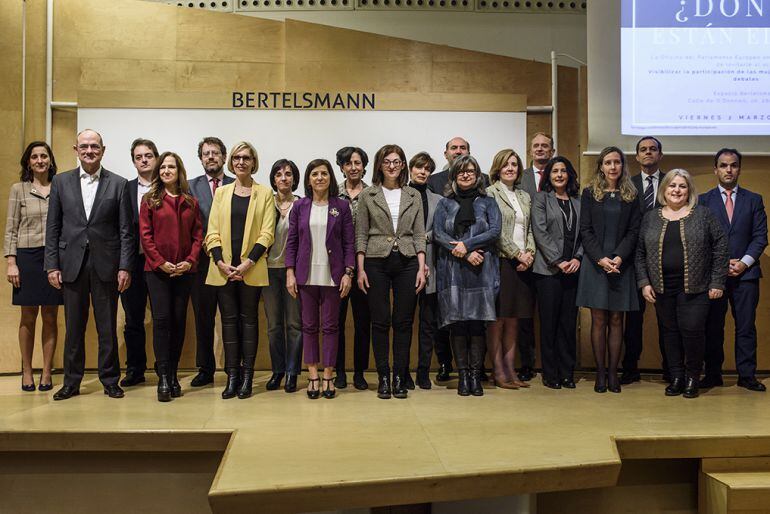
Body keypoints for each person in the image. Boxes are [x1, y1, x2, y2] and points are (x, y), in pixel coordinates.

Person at [45, 129, 134, 400]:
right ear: (76, 150)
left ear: (103, 150)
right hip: (70, 265)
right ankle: (71, 382)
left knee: (107, 327)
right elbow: (53, 227)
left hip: (106, 266)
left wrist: (125, 266)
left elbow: (126, 231)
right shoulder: (61, 182)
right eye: (84, 146)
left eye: (94, 146)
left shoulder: (118, 184)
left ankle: (110, 380)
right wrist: (52, 265)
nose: (89, 151)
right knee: (74, 327)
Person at [637, 169, 728, 398]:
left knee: (692, 330)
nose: (676, 190)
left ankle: (692, 377)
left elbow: (721, 248)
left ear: (689, 191)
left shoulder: (704, 215)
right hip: (662, 287)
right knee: (669, 332)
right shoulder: (651, 217)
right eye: (672, 186)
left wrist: (717, 281)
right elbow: (640, 253)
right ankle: (676, 376)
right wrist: (644, 282)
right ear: (664, 190)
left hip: (696, 288)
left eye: (682, 186)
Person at [356, 144, 427, 399]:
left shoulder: (413, 195)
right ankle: (383, 376)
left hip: (408, 261)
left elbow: (419, 234)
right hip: (376, 261)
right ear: (379, 165)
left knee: (404, 321)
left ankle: (399, 375)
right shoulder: (368, 194)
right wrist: (360, 269)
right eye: (387, 161)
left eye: (397, 161)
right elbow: (361, 233)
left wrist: (421, 266)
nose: (392, 165)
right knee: (380, 320)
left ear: (403, 165)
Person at [205, 141, 274, 400]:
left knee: (249, 322)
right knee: (228, 323)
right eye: (236, 158)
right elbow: (211, 231)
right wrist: (221, 262)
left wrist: (248, 263)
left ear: (253, 162)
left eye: (246, 158)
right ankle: (232, 376)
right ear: (231, 162)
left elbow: (267, 233)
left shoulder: (264, 193)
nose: (241, 162)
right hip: (223, 270)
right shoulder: (221, 193)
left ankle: (247, 377)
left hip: (250, 270)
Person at [285, 159, 355, 399]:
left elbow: (349, 242)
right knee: (309, 326)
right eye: (314, 174)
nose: (320, 178)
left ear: (330, 178)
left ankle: (328, 376)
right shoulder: (299, 206)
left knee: (331, 327)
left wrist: (348, 272)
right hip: (305, 275)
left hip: (333, 276)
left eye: (324, 173)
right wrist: (290, 272)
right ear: (308, 179)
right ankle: (313, 375)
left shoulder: (342, 207)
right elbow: (292, 241)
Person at [700, 148, 768, 392]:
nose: (729, 170)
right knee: (712, 327)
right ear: (715, 169)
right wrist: (720, 264)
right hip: (714, 277)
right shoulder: (703, 201)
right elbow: (700, 240)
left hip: (746, 275)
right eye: (724, 165)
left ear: (739, 168)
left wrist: (744, 262)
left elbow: (760, 237)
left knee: (746, 326)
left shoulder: (754, 199)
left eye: (734, 165)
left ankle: (747, 375)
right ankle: (712, 374)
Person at [433, 154, 501, 396]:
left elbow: (495, 231)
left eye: (470, 171)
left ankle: (475, 376)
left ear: (477, 175)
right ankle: (462, 376)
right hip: (453, 270)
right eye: (461, 171)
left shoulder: (488, 201)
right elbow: (439, 234)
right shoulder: (444, 203)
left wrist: (467, 245)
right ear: (453, 175)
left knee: (477, 324)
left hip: (481, 269)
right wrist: (460, 250)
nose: (465, 174)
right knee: (458, 325)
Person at [576, 146, 641, 394]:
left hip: (621, 266)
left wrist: (618, 258)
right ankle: (600, 373)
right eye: (607, 162)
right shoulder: (590, 193)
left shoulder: (631, 195)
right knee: (599, 320)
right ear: (601, 167)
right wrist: (602, 259)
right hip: (596, 266)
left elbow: (634, 231)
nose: (613, 167)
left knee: (617, 320)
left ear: (623, 166)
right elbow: (586, 230)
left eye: (617, 162)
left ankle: (614, 372)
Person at [139, 152, 203, 402]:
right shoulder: (150, 200)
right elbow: (146, 236)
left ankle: (174, 374)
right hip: (158, 273)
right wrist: (160, 263)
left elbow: (198, 235)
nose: (166, 170)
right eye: (163, 167)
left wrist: (189, 261)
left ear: (179, 171)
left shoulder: (191, 202)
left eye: (171, 167)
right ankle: (163, 377)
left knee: (178, 322)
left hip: (184, 272)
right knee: (162, 322)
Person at [4, 141, 63, 392]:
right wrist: (11, 262)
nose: (40, 160)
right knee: (28, 317)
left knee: (50, 316)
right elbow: (10, 228)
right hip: (26, 258)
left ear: (51, 160)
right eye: (34, 156)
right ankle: (27, 371)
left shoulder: (61, 187)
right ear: (28, 162)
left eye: (44, 156)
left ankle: (47, 372)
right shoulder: (19, 189)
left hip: (53, 258)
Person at [485, 149, 536, 389]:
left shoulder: (524, 196)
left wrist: (530, 253)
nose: (510, 168)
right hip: (501, 261)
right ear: (498, 167)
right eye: (506, 164)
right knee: (498, 319)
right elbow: (495, 232)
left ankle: (510, 368)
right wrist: (517, 254)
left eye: (514, 164)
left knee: (515, 319)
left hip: (523, 262)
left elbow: (529, 230)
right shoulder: (489, 193)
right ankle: (497, 370)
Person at [531, 157, 583, 389]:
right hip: (548, 271)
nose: (560, 175)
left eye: (564, 171)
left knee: (568, 324)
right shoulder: (541, 199)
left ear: (570, 175)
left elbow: (585, 234)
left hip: (573, 270)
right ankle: (550, 373)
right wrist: (558, 260)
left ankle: (567, 372)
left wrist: (577, 258)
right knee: (549, 323)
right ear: (548, 176)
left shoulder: (579, 201)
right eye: (555, 171)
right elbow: (540, 231)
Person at [188, 137, 234, 387]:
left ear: (224, 157)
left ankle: (232, 368)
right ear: (201, 158)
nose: (211, 157)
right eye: (206, 153)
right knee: (203, 318)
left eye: (216, 153)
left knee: (230, 317)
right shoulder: (189, 186)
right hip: (201, 264)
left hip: (228, 263)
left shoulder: (236, 184)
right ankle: (205, 368)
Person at [623, 136, 668, 385]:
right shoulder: (627, 185)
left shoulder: (672, 183)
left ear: (660, 155)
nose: (648, 153)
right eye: (643, 150)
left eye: (653, 149)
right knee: (633, 319)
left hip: (665, 260)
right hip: (633, 261)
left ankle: (670, 369)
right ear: (637, 157)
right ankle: (630, 367)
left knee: (667, 320)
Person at [407, 151, 449, 390]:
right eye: (418, 168)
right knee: (404, 323)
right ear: (411, 169)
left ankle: (423, 371)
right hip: (405, 265)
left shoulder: (438, 200)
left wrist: (424, 237)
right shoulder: (401, 196)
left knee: (428, 324)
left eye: (427, 169)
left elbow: (443, 230)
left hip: (432, 266)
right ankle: (403, 371)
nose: (422, 172)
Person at [517, 132, 556, 382]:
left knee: (550, 316)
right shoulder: (519, 177)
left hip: (552, 258)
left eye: (545, 146)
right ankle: (527, 363)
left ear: (552, 151)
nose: (540, 149)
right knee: (523, 316)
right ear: (530, 151)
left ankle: (553, 366)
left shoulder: (560, 175)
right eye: (536, 146)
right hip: (524, 257)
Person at [119, 138, 158, 388]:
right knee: (133, 319)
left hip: (160, 265)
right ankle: (135, 368)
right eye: (138, 157)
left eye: (148, 155)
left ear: (156, 157)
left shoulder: (168, 186)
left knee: (164, 318)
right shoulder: (124, 188)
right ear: (133, 161)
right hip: (133, 263)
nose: (144, 160)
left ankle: (166, 367)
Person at [263, 159, 302, 393]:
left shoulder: (302, 204)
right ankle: (277, 371)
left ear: (295, 178)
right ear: (273, 179)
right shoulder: (266, 202)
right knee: (274, 324)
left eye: (288, 174)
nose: (284, 178)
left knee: (294, 324)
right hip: (267, 270)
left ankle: (292, 372)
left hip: (293, 272)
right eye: (279, 174)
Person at [335, 146, 372, 391]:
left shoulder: (373, 194)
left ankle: (359, 372)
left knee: (363, 322)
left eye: (357, 163)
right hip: (337, 267)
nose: (353, 168)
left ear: (364, 166)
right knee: (335, 322)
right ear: (341, 167)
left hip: (368, 267)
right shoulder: (332, 194)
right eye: (348, 163)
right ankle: (338, 371)